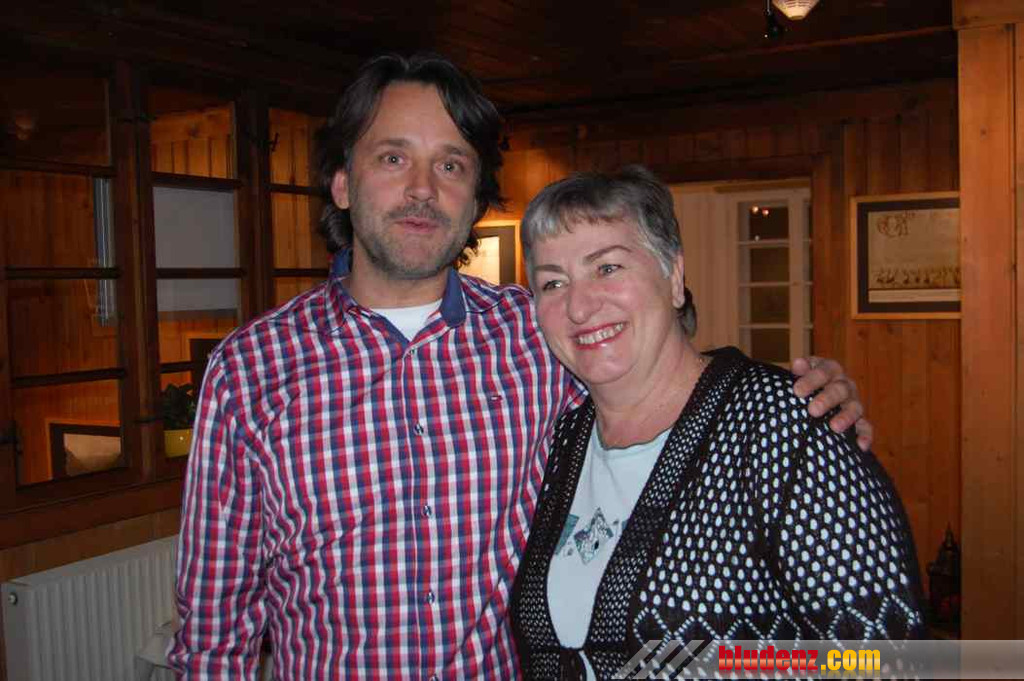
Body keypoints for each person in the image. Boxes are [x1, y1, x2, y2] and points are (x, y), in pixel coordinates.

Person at [169, 53, 873, 679]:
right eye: (393, 158)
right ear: (343, 182)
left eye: (451, 164)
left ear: (475, 197)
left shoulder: (535, 331)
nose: (423, 188)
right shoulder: (251, 369)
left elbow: (656, 368)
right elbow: (213, 637)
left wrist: (787, 399)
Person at [508, 167, 925, 680]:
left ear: (674, 277)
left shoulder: (784, 427)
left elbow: (888, 658)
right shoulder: (561, 440)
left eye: (608, 267)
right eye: (553, 282)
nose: (579, 305)